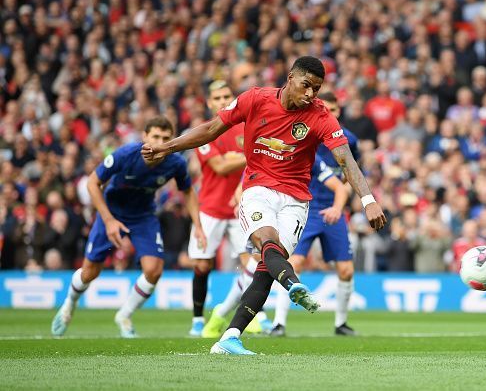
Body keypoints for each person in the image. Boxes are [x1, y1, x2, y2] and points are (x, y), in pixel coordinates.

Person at [142, 56, 386, 355]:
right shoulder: (255, 99)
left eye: (317, 89)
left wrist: (368, 199)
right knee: (266, 240)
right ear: (290, 77)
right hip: (258, 188)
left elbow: (345, 159)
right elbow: (211, 128)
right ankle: (293, 283)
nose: (311, 94)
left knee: (267, 266)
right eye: (306, 85)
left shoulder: (320, 115)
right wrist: (166, 147)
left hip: (297, 199)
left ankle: (229, 337)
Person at [51, 116, 206, 338]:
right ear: (145, 137)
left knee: (154, 270)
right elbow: (92, 183)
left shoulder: (176, 163)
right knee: (90, 272)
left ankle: (124, 314)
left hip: (143, 216)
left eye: (165, 138)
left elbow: (188, 191)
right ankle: (69, 305)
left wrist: (198, 226)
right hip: (111, 213)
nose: (159, 142)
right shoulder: (126, 154)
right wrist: (108, 220)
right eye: (155, 136)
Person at [269, 92, 359, 337]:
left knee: (346, 270)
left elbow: (352, 173)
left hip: (334, 209)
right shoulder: (306, 134)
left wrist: (340, 203)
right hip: (305, 207)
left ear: (339, 112)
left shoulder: (349, 140)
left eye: (334, 110)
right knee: (293, 263)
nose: (330, 114)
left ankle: (341, 324)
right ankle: (279, 323)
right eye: (326, 109)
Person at [189, 80, 270, 337]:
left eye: (227, 95)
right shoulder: (204, 132)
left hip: (241, 207)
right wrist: (247, 156)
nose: (223, 100)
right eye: (217, 97)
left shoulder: (246, 128)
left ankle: (256, 315)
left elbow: (243, 160)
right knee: (202, 266)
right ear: (209, 103)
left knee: (253, 262)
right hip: (211, 209)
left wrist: (234, 158)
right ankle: (198, 320)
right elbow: (220, 167)